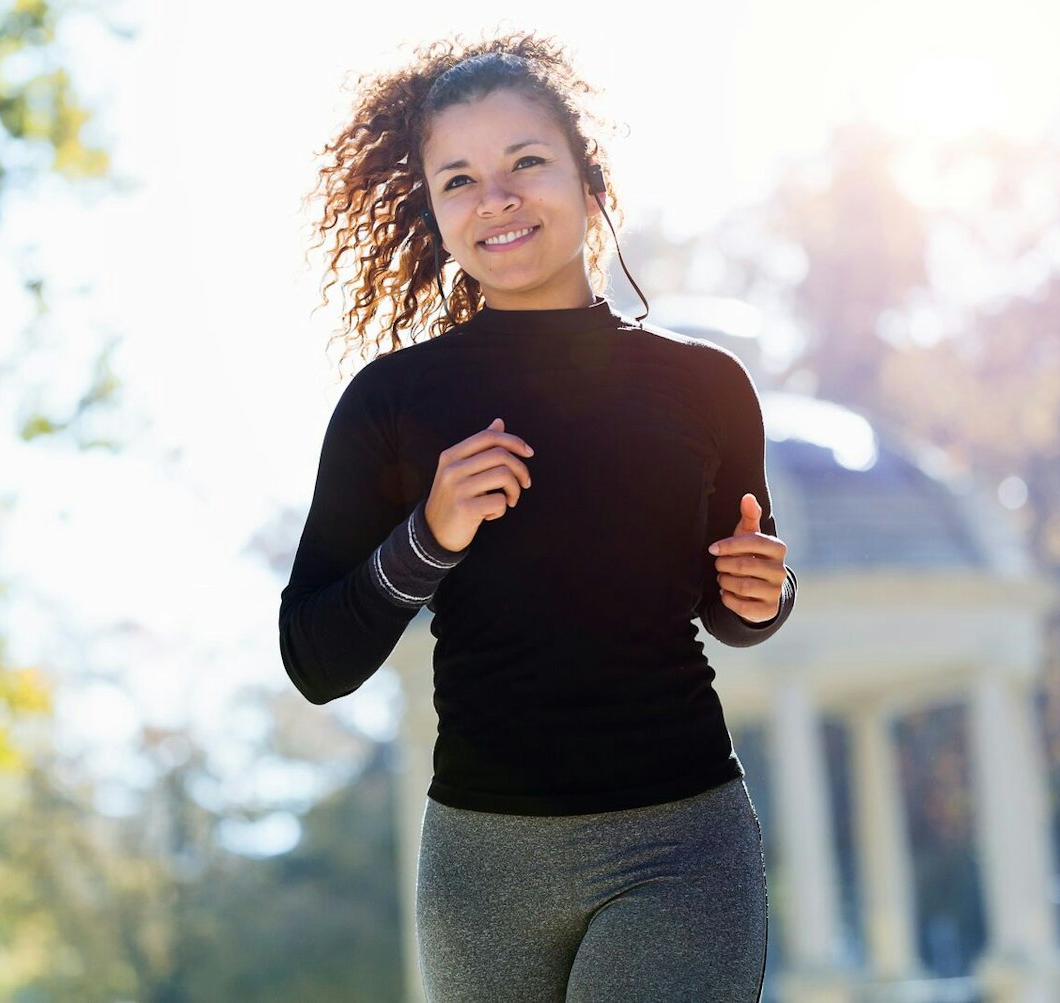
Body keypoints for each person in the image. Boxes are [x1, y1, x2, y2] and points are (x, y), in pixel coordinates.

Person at [279, 29, 797, 1003]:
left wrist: (769, 590)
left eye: (526, 163)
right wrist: (428, 536)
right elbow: (312, 659)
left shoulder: (705, 386)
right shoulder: (390, 403)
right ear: (434, 213)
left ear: (588, 178)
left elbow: (735, 601)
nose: (498, 199)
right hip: (482, 868)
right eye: (459, 180)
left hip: (677, 844)